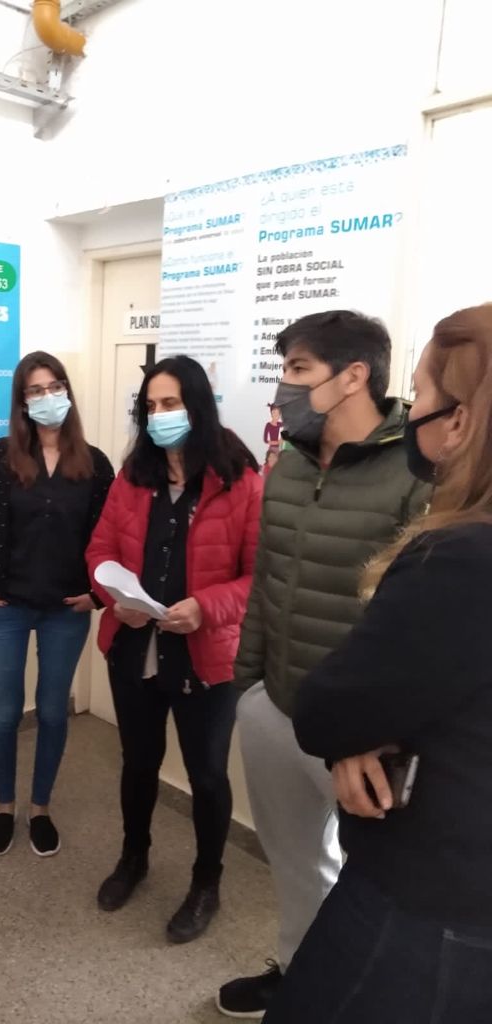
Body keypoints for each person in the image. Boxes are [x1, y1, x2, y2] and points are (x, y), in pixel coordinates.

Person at [263, 304, 492, 1022]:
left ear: (462, 420)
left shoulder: (459, 553)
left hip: (432, 895)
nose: (413, 409)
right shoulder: (291, 465)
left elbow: (335, 707)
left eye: (422, 393)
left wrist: (355, 723)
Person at [217, 310, 430, 1018]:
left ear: (354, 376)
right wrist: (247, 686)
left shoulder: (415, 471)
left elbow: (413, 621)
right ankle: (296, 971)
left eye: (298, 370)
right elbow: (268, 582)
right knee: (294, 860)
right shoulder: (290, 465)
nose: (283, 386)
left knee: (374, 886)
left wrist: (381, 729)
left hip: (358, 732)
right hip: (276, 705)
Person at [87, 355, 263, 944]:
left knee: (207, 775)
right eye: (151, 406)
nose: (159, 415)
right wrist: (114, 598)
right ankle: (133, 858)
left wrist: (205, 607)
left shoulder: (240, 478)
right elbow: (99, 551)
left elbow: (259, 577)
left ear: (198, 406)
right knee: (138, 763)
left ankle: (206, 882)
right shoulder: (133, 475)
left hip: (207, 658)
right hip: (135, 647)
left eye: (171, 404)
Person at [0, 352, 114, 858]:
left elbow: (108, 537)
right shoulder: (0, 456)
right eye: (35, 390)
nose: (47, 397)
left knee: (52, 711)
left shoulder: (95, 464)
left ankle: (40, 807)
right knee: (5, 713)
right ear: (22, 401)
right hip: (4, 605)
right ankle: (5, 806)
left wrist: (99, 593)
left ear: (67, 391)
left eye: (55, 387)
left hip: (65, 609)